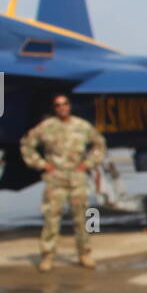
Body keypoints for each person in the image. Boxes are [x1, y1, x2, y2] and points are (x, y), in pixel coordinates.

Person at [19, 94, 106, 271]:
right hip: (55, 179)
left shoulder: (81, 126)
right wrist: (42, 164)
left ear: (69, 106)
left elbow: (99, 144)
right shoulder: (47, 127)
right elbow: (26, 144)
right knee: (51, 218)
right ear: (54, 108)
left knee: (83, 218)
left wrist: (88, 164)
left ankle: (85, 253)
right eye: (58, 105)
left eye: (65, 104)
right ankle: (47, 256)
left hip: (77, 177)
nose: (62, 107)